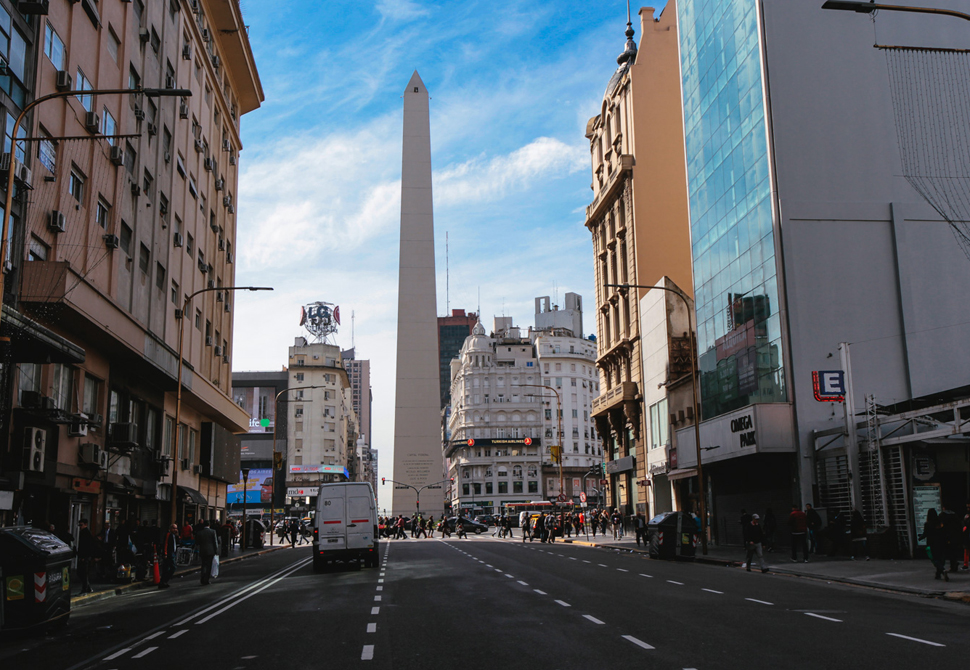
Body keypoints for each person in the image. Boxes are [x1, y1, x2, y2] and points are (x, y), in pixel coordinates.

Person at [919, 508, 948, 581]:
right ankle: (938, 574)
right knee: (941, 558)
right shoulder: (940, 523)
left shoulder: (928, 524)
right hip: (942, 543)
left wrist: (920, 538)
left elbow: (926, 534)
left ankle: (942, 570)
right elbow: (944, 533)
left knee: (935, 559)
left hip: (933, 544)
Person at [195, 519, 219, 585]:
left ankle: (202, 578)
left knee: (203, 565)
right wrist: (216, 551)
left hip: (202, 550)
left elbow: (197, 542)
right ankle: (206, 579)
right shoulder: (213, 532)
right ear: (209, 525)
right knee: (208, 566)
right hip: (210, 551)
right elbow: (215, 542)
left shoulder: (200, 532)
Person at [76, 518, 95, 594]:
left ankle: (85, 588)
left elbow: (87, 546)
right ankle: (87, 587)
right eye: (79, 525)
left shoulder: (86, 533)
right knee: (82, 572)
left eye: (81, 525)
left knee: (83, 572)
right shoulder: (83, 532)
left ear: (85, 524)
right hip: (83, 556)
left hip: (85, 556)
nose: (80, 527)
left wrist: (84, 556)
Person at [158, 524, 179, 589]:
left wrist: (177, 535)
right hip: (169, 554)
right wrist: (165, 553)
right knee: (173, 567)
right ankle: (164, 581)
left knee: (166, 568)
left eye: (176, 528)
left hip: (173, 553)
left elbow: (178, 542)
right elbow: (165, 544)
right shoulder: (168, 534)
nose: (175, 530)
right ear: (170, 529)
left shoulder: (174, 535)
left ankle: (163, 582)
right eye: (174, 528)